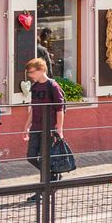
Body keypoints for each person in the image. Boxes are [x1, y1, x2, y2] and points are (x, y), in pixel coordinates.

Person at [24, 56, 65, 191]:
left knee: (44, 158)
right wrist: (27, 125)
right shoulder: (35, 86)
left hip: (49, 127)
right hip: (36, 126)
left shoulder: (52, 86)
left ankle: (43, 190)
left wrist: (59, 129)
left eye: (31, 72)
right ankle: (53, 174)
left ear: (41, 70)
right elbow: (33, 107)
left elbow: (60, 109)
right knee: (31, 156)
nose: (30, 75)